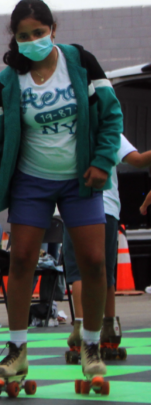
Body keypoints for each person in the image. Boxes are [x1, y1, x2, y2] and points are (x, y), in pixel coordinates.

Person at [0, 0, 122, 393]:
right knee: (20, 260)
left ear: (54, 30)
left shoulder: (81, 62)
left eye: (39, 33)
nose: (33, 40)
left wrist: (103, 162)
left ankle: (91, 345)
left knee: (92, 261)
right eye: (24, 36)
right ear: (15, 39)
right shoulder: (7, 81)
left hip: (80, 180)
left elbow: (111, 116)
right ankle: (17, 349)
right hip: (31, 182)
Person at [62, 135, 151, 358]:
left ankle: (80, 332)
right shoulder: (109, 130)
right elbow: (138, 160)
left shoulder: (67, 131)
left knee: (78, 274)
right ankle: (110, 333)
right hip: (106, 210)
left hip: (73, 209)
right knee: (105, 274)